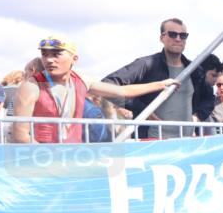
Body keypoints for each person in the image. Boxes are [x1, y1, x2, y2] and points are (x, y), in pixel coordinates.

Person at [13, 36, 178, 144]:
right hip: (42, 162)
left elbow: (122, 92)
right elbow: (21, 136)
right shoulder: (30, 87)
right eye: (45, 54)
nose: (49, 59)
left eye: (56, 54)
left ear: (74, 59)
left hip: (72, 159)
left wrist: (161, 84)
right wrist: (50, 159)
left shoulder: (82, 80)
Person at [102, 18, 210, 138]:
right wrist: (144, 111)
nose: (178, 39)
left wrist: (198, 116)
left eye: (183, 35)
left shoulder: (195, 70)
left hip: (185, 143)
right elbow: (107, 85)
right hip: (151, 141)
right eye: (173, 34)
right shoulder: (146, 64)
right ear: (162, 37)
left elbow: (209, 98)